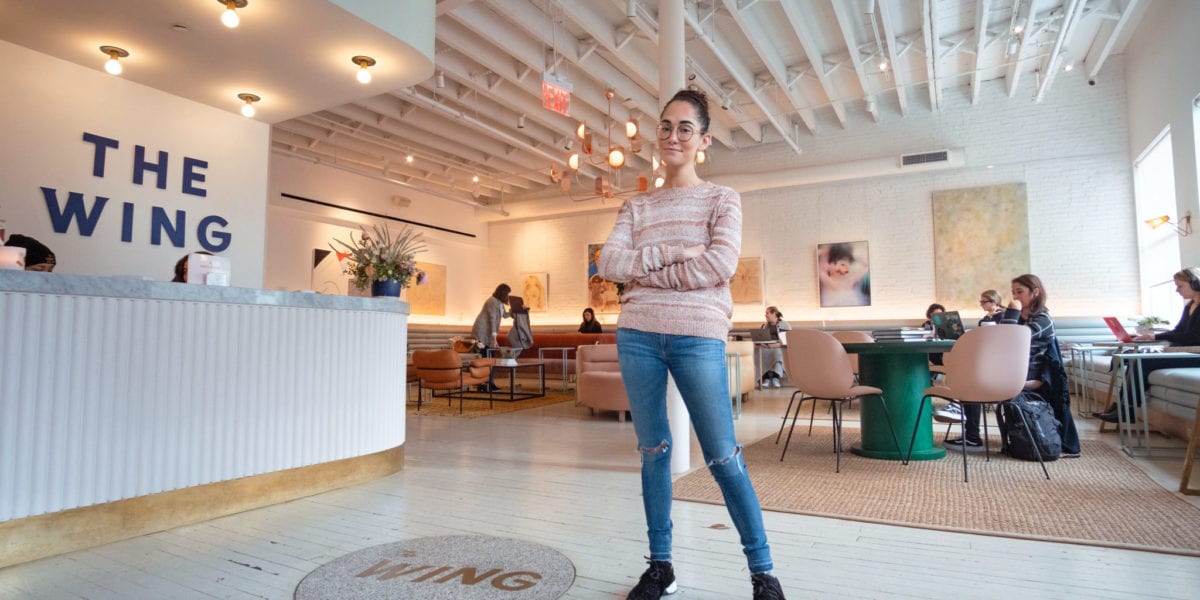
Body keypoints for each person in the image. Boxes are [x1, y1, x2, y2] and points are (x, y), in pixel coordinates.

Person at [598, 89, 785, 600]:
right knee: (653, 452)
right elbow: (609, 265)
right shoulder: (635, 205)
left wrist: (647, 275)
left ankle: (763, 574)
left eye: (685, 128)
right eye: (665, 126)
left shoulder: (723, 198)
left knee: (723, 456)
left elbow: (720, 265)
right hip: (637, 337)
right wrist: (680, 251)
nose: (672, 136)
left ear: (703, 140)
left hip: (698, 338)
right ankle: (661, 567)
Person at [946, 274, 1080, 457]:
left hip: (1026, 376)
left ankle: (971, 434)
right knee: (970, 382)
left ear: (1035, 292)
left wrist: (1011, 312)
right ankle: (972, 436)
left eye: (1020, 292)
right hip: (1011, 372)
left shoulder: (1042, 320)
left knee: (974, 382)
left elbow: (1011, 338)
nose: (1015, 297)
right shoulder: (1021, 318)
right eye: (1013, 292)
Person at [1097, 267, 1200, 423]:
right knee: (1134, 358)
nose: (1177, 290)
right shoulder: (1189, 306)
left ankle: (1127, 410)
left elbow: (1194, 337)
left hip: (1195, 354)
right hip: (1183, 352)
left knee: (1141, 360)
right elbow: (1178, 331)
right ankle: (1121, 407)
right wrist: (1148, 337)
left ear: (1195, 284)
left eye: (1180, 286)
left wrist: (1155, 336)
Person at [471, 283, 510, 392]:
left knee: (491, 359)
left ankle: (490, 383)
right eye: (507, 294)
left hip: (489, 334)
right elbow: (492, 319)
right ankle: (482, 384)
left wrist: (515, 312)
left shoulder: (500, 303)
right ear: (503, 293)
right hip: (481, 333)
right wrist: (494, 337)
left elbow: (505, 315)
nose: (508, 296)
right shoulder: (492, 301)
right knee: (484, 358)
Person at [818, 242, 870, 307]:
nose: (839, 267)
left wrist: (853, 255)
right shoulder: (829, 281)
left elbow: (867, 266)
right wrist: (824, 252)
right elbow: (820, 270)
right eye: (835, 263)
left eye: (843, 265)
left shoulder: (850, 281)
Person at [754, 306, 791, 388]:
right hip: (767, 347)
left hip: (780, 347)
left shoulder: (784, 325)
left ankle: (775, 377)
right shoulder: (764, 326)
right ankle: (765, 378)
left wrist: (772, 346)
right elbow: (761, 338)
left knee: (777, 353)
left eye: (767, 313)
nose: (765, 315)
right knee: (758, 353)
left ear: (774, 313)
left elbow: (785, 341)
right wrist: (762, 344)